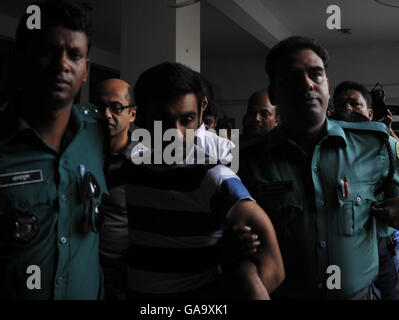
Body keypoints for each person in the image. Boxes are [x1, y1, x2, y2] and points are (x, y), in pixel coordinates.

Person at [239, 36, 399, 300]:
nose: (307, 84)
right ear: (273, 93)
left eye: (316, 75)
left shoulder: (375, 144)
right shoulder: (251, 160)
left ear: (327, 86)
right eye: (293, 77)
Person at [0, 0, 108, 299]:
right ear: (24, 59)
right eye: (49, 52)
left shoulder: (97, 137)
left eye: (74, 55)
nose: (63, 65)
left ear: (85, 70)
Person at [112, 62, 284, 300]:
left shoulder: (213, 177)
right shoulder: (131, 168)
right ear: (141, 117)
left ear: (202, 112)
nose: (176, 135)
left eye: (187, 119)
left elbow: (273, 267)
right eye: (162, 120)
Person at [331, 80, 399, 300]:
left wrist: (388, 133)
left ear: (370, 114)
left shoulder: (384, 146)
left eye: (354, 103)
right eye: (341, 104)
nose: (347, 108)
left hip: (380, 250)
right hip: (344, 258)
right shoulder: (324, 148)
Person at [95, 78, 141, 300]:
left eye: (115, 107)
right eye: (100, 106)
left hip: (122, 271)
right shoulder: (81, 153)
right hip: (84, 263)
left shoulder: (144, 160)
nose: (106, 114)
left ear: (132, 114)